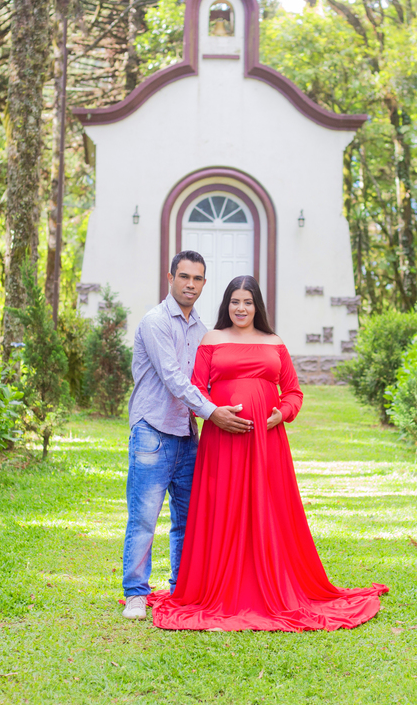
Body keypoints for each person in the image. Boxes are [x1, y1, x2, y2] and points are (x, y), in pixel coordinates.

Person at [148, 275, 388, 631]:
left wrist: (282, 414)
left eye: (247, 302)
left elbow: (293, 392)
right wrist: (216, 412)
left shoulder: (274, 343)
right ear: (226, 305)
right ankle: (220, 586)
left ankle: (271, 581)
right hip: (222, 440)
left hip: (266, 442)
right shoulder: (211, 340)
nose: (241, 308)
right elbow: (197, 389)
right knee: (224, 505)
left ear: (257, 305)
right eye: (234, 302)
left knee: (268, 508)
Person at [121, 251, 252, 621]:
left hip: (187, 434)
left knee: (188, 518)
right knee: (145, 517)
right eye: (184, 277)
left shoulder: (201, 329)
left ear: (204, 284)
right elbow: (175, 378)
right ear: (170, 277)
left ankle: (180, 588)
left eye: (197, 279)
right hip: (153, 431)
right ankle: (135, 594)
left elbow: (210, 379)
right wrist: (214, 412)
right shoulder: (155, 322)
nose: (190, 284)